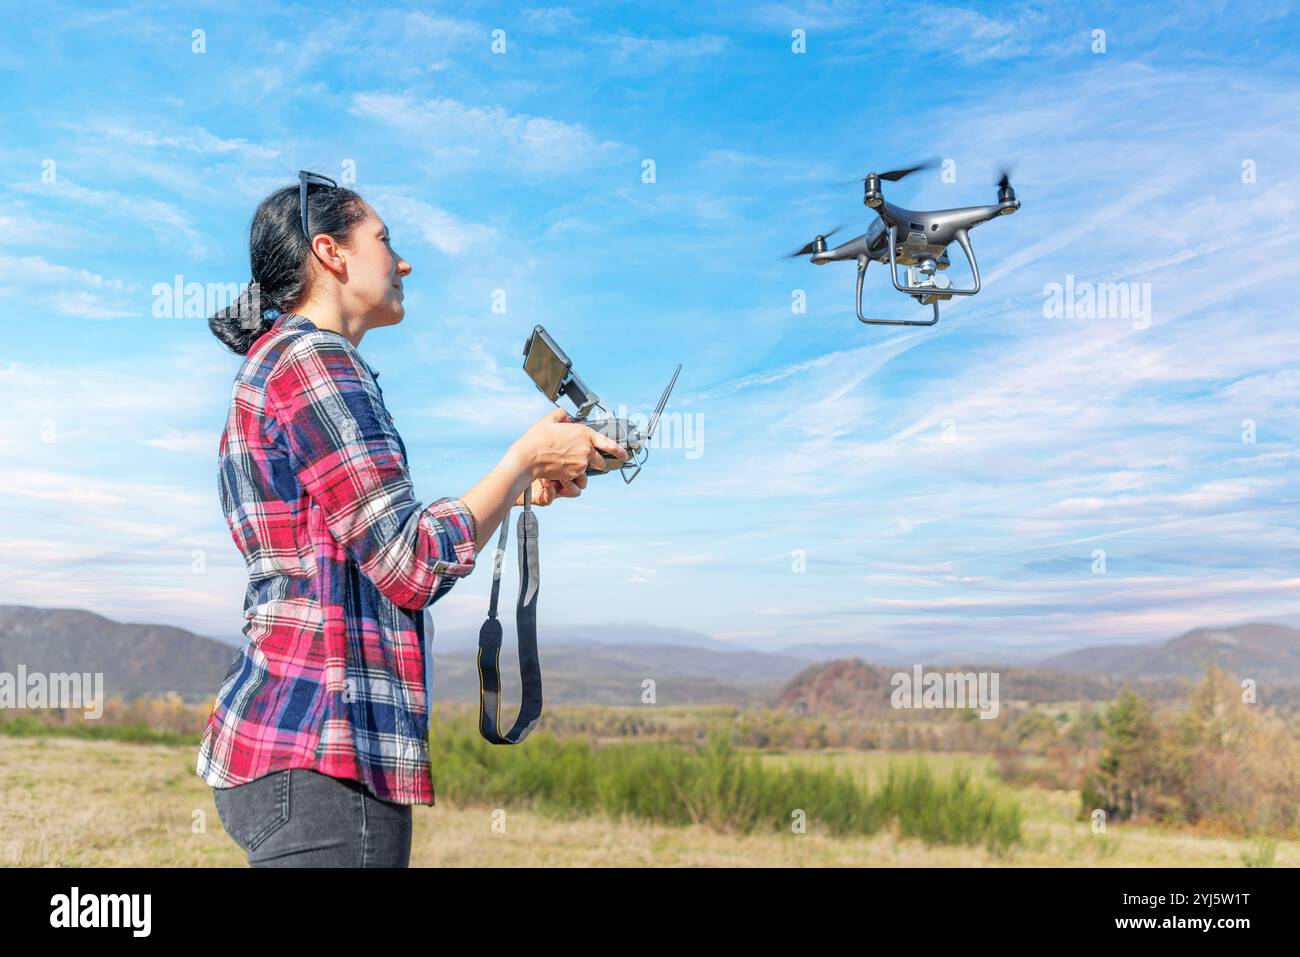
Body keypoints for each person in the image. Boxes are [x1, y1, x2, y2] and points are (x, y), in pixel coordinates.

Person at [195, 171, 627, 867]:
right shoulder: (315, 360)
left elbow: (362, 545)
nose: (403, 262)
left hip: (292, 748)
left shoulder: (280, 362)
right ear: (331, 253)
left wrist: (516, 490)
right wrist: (522, 457)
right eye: (385, 240)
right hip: (326, 751)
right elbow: (412, 563)